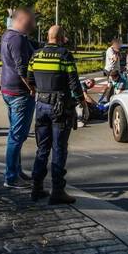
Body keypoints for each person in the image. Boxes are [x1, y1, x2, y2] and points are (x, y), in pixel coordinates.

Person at [26, 25, 92, 205]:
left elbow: (29, 79)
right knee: (59, 149)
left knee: (42, 149)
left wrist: (38, 92)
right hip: (60, 107)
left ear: (48, 37)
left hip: (41, 106)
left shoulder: (36, 55)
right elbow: (74, 83)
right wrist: (83, 103)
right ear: (62, 37)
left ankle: (36, 188)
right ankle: (57, 191)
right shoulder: (64, 55)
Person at [0, 7, 37, 189]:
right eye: (32, 21)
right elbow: (22, 67)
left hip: (9, 90)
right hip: (20, 92)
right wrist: (31, 87)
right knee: (17, 136)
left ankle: (16, 170)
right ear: (22, 19)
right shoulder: (17, 39)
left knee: (15, 135)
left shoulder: (8, 35)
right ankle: (11, 177)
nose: (34, 24)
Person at [101, 37, 127, 104]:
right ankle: (107, 100)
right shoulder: (110, 50)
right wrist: (116, 52)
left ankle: (113, 98)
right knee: (110, 86)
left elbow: (120, 58)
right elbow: (115, 59)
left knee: (115, 84)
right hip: (110, 71)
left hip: (116, 70)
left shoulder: (115, 50)